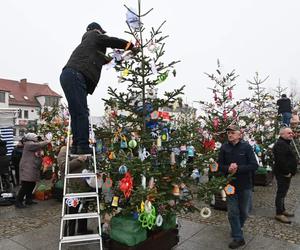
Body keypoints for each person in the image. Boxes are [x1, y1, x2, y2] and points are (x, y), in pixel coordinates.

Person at [60, 22, 138, 155]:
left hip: (69, 75)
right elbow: (111, 41)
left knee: (77, 113)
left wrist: (122, 57)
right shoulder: (93, 35)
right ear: (97, 30)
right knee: (82, 112)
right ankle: (83, 145)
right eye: (101, 32)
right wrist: (130, 46)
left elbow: (107, 61)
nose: (102, 34)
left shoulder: (89, 48)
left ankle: (77, 145)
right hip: (75, 74)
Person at [218, 125, 258, 249]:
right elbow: (219, 165)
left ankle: (237, 228)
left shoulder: (246, 147)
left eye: (232, 132)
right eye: (228, 133)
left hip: (245, 185)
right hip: (229, 185)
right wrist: (227, 168)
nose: (230, 135)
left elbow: (254, 165)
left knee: (244, 212)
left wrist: (238, 168)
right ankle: (238, 237)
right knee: (232, 211)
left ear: (239, 134)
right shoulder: (224, 147)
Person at [57, 146, 92, 236]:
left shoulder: (83, 148)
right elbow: (63, 167)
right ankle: (69, 233)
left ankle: (82, 229)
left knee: (83, 209)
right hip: (72, 188)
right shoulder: (64, 150)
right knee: (72, 211)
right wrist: (79, 160)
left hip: (85, 186)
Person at [15, 133, 50, 208]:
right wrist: (47, 141)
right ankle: (18, 201)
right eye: (36, 137)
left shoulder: (33, 144)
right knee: (26, 185)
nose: (37, 139)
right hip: (27, 167)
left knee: (32, 184)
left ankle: (28, 199)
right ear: (31, 138)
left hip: (32, 167)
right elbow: (38, 145)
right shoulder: (29, 144)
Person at [272, 127, 297, 224]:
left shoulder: (285, 143)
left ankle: (282, 210)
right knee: (281, 193)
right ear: (282, 134)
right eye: (289, 133)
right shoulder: (280, 145)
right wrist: (287, 173)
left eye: (291, 132)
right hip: (283, 174)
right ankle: (279, 213)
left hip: (286, 174)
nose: (291, 134)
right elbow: (280, 161)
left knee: (283, 192)